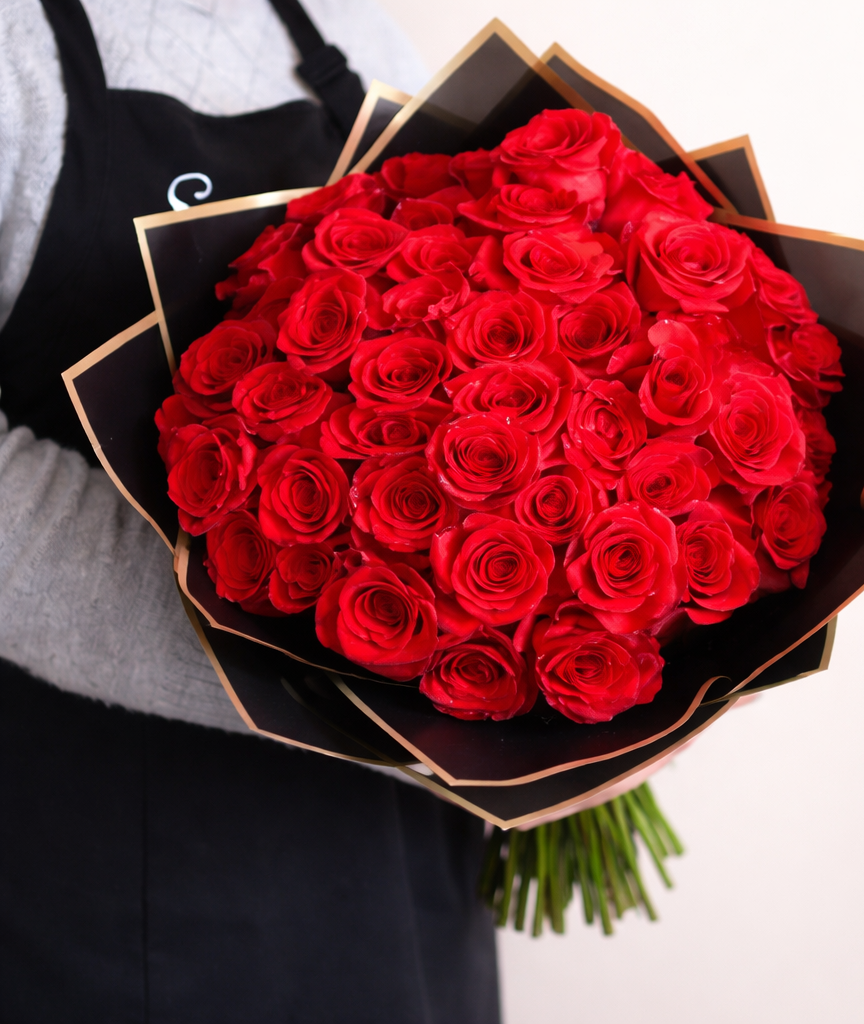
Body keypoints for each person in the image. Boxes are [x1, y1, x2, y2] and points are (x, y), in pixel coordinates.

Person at [0, 2, 501, 1020]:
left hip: (400, 876)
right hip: (110, 885)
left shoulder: (358, 35)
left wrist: (570, 671)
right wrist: (326, 668)